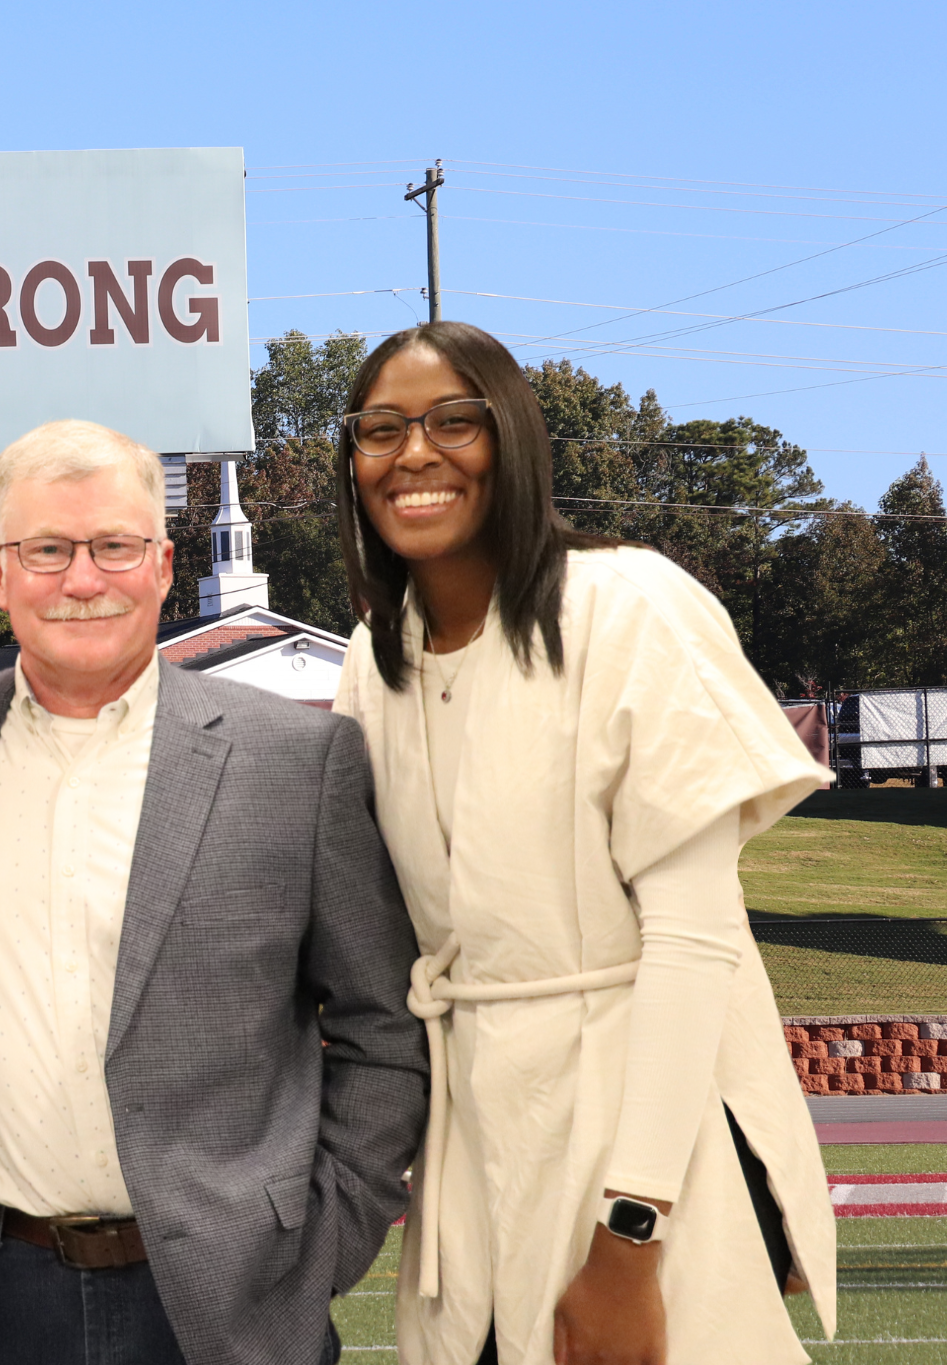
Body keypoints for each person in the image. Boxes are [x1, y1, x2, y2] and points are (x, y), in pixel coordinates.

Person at [0, 420, 429, 1365]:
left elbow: (384, 1026)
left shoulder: (296, 761)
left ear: (162, 565)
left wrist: (321, 1236)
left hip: (231, 1298)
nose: (83, 581)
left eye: (114, 546)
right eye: (46, 550)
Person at [329, 321, 836, 1365]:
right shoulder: (372, 663)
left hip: (641, 1143)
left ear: (510, 440)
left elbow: (695, 943)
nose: (413, 455)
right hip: (470, 1151)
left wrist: (629, 1240)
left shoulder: (627, 607)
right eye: (379, 430)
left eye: (449, 422)